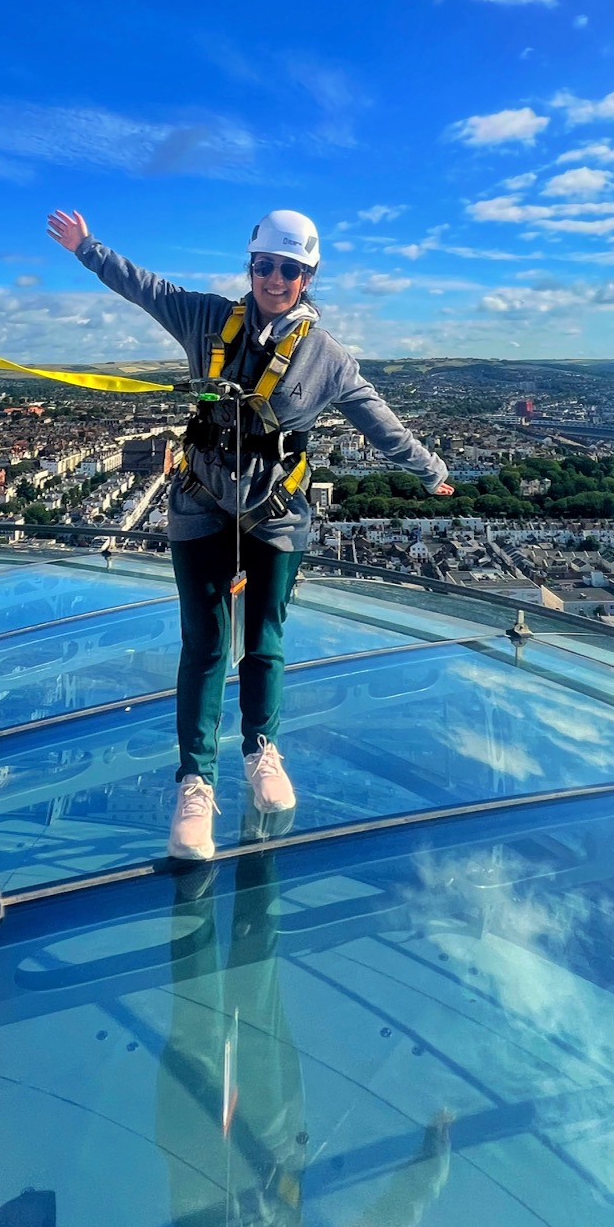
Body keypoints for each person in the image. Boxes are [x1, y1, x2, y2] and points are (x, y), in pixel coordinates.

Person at [47, 206, 452, 861]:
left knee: (262, 639)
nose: (273, 277)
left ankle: (261, 749)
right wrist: (87, 248)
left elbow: (381, 424)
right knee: (206, 643)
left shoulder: (327, 359)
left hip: (275, 511)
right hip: (201, 501)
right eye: (264, 264)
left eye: (289, 269)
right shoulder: (207, 318)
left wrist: (430, 471)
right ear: (251, 265)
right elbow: (146, 288)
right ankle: (195, 785)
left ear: (306, 275)